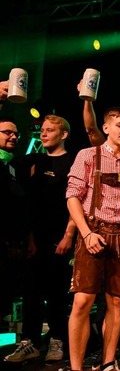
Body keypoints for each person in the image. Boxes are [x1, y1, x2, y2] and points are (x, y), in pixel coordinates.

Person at [66, 106, 120, 371]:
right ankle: (77, 367)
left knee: (117, 301)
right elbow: (72, 197)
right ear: (106, 127)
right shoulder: (89, 155)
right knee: (83, 300)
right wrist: (85, 234)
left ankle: (109, 362)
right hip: (93, 231)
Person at [4, 115, 77, 364]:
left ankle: (58, 339)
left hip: (62, 237)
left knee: (57, 292)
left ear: (63, 134)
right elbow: (30, 205)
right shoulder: (33, 161)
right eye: (42, 130)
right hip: (36, 238)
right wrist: (31, 238)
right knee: (31, 291)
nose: (43, 134)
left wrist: (68, 236)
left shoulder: (73, 161)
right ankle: (31, 342)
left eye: (49, 130)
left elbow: (75, 202)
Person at [0, 117, 35, 361]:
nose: (13, 136)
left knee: (4, 300)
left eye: (15, 133)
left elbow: (23, 208)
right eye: (7, 132)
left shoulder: (15, 167)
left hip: (14, 247)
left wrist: (28, 239)